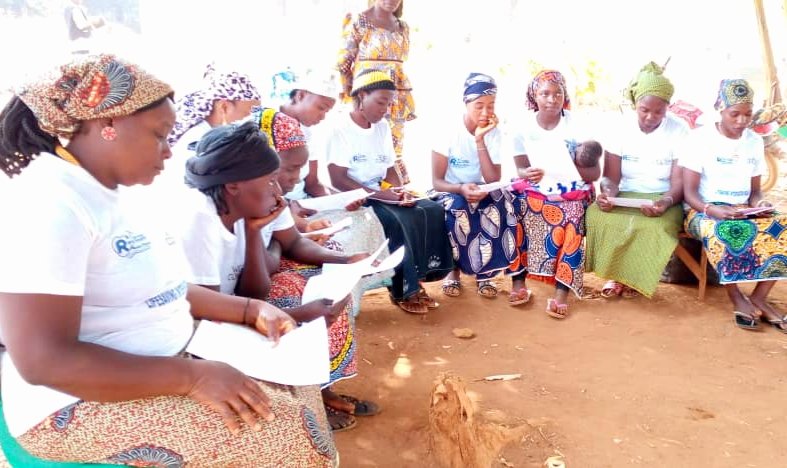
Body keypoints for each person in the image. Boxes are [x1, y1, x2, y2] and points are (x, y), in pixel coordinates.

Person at [0, 55, 337, 466]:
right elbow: (43, 359)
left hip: (164, 359)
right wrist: (191, 378)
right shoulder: (50, 203)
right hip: (72, 399)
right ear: (107, 126)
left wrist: (251, 310)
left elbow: (163, 291)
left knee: (299, 388)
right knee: (285, 435)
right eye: (159, 135)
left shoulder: (114, 194)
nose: (167, 150)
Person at [326, 69, 453, 314]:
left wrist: (399, 191)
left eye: (389, 103)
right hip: (353, 197)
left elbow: (389, 168)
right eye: (381, 102)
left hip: (379, 194)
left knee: (430, 210)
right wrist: (382, 195)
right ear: (362, 96)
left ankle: (418, 279)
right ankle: (404, 289)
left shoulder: (382, 127)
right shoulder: (339, 128)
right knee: (394, 221)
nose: (385, 109)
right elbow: (339, 179)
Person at [682, 79, 787, 332]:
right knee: (726, 231)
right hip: (702, 210)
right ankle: (736, 296)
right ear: (720, 108)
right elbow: (689, 193)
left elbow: (755, 191)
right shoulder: (699, 139)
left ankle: (760, 297)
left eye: (748, 114)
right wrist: (712, 210)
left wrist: (759, 204)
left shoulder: (753, 141)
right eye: (735, 114)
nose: (742, 121)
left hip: (742, 208)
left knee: (781, 227)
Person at [585, 62, 687, 299]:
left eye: (659, 112)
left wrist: (665, 201)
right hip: (625, 195)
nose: (651, 117)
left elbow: (679, 183)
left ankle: (635, 280)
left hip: (662, 198)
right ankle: (615, 275)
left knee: (656, 226)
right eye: (644, 110)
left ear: (667, 109)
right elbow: (610, 178)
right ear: (635, 105)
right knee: (598, 216)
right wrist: (609, 194)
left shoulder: (679, 130)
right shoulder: (619, 128)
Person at [431, 73, 529, 305]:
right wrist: (461, 188)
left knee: (502, 204)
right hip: (450, 190)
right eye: (479, 106)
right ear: (466, 104)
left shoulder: (492, 131)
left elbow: (492, 177)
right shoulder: (446, 130)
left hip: (482, 188)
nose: (485, 113)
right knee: (457, 209)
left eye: (491, 106)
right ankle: (452, 272)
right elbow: (437, 181)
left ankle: (485, 275)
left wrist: (480, 140)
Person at [510, 70, 600, 319]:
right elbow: (519, 166)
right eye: (545, 93)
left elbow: (594, 172)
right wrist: (527, 173)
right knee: (515, 208)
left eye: (558, 93)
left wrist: (576, 164)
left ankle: (561, 292)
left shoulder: (577, 125)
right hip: (537, 186)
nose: (552, 99)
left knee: (572, 214)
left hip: (572, 188)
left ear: (565, 95)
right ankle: (519, 283)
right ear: (534, 96)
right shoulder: (522, 126)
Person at [337, 0, 414, 181]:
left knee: (392, 144)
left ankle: (395, 189)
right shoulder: (358, 20)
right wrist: (351, 94)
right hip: (367, 92)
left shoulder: (403, 26)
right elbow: (343, 63)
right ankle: (361, 188)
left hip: (396, 93)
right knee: (365, 139)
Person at [165, 64, 261, 187]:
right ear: (224, 107)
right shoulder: (197, 142)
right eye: (248, 114)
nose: (252, 121)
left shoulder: (210, 137)